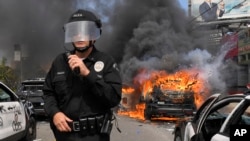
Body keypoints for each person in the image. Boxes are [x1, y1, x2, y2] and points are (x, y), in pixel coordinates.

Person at [43, 9, 122, 141]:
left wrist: (88, 74)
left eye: (85, 32)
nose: (80, 36)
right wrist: (55, 113)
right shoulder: (60, 62)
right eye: (75, 32)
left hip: (94, 136)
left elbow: (113, 98)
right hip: (65, 136)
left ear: (94, 36)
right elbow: (48, 93)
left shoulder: (106, 62)